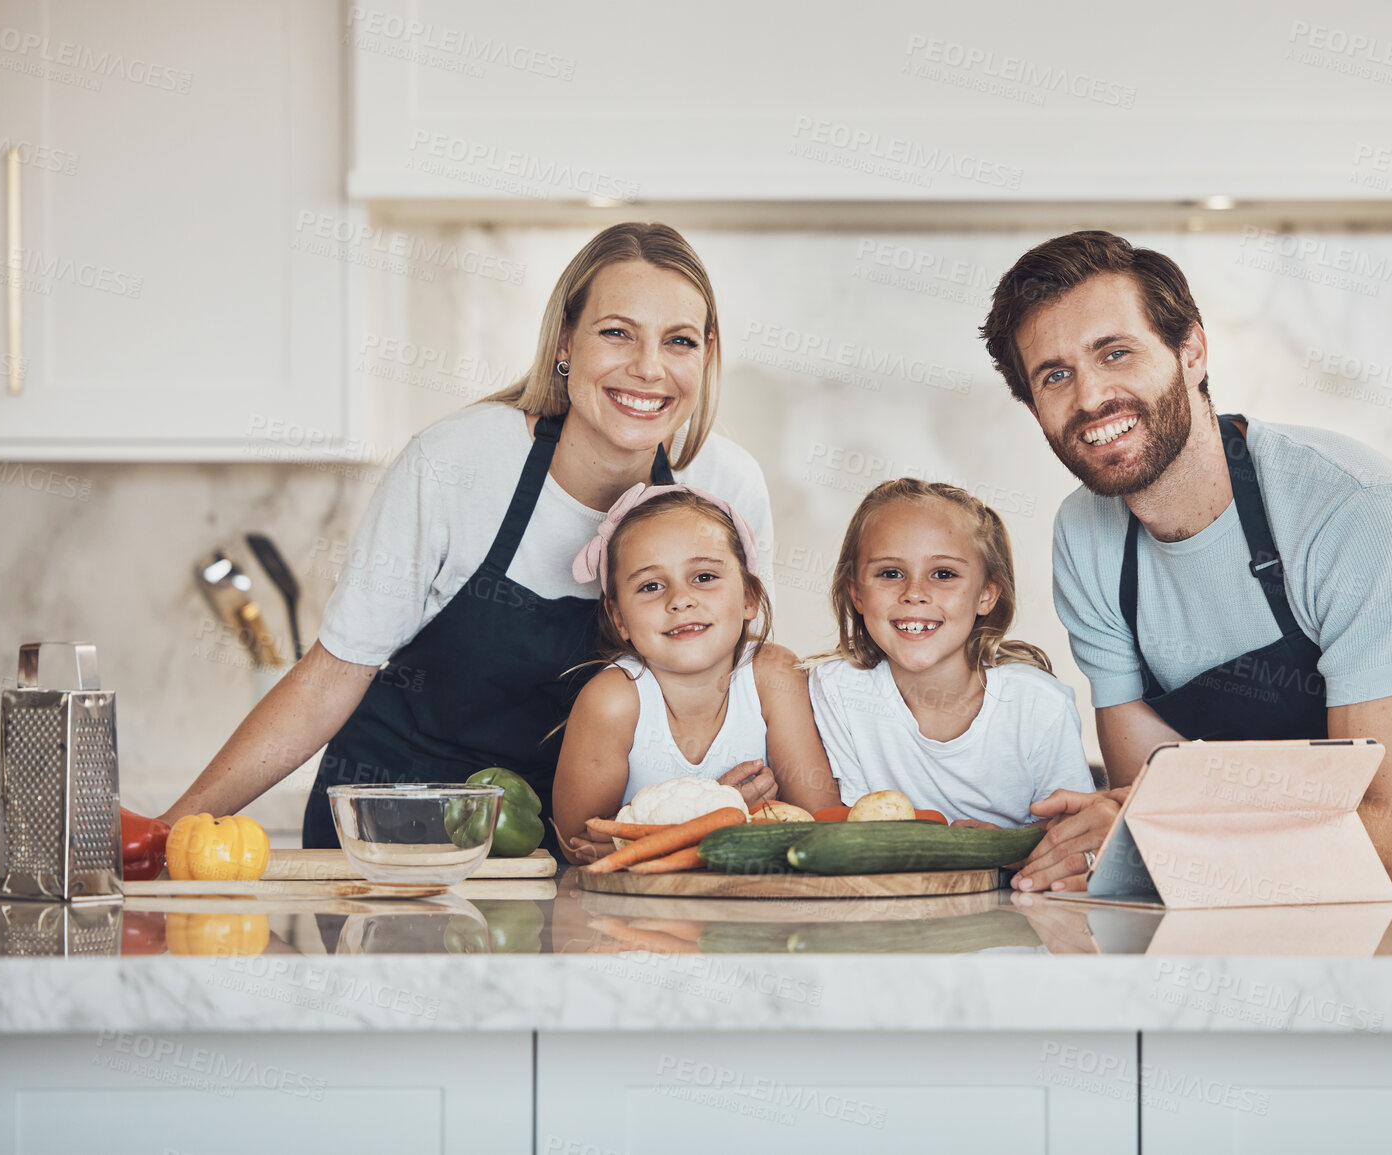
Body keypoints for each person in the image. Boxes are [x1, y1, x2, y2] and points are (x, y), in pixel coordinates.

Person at [976, 230, 1392, 891]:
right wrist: (1130, 820)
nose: (1090, 397)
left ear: (1190, 351)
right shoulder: (1085, 536)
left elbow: (1389, 833)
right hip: (1298, 870)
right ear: (1031, 405)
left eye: (1115, 352)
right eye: (1054, 374)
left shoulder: (1352, 507)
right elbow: (1148, 789)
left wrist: (1155, 822)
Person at [160, 223, 775, 853]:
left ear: (706, 353)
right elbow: (331, 678)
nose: (649, 369)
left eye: (679, 341)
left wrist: (708, 800)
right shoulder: (458, 463)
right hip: (401, 837)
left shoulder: (724, 485)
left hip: (587, 844)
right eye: (616, 332)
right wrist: (166, 835)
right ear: (565, 341)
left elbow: (742, 682)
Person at [552, 485, 838, 862]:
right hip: (638, 914)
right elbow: (580, 845)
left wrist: (669, 835)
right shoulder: (613, 700)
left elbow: (822, 824)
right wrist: (714, 814)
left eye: (704, 577)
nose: (680, 599)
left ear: (750, 596)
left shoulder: (773, 677)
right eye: (651, 586)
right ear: (619, 618)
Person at [807, 479, 1094, 828]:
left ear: (987, 594)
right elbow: (855, 829)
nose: (915, 593)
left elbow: (1075, 830)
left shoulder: (1039, 705)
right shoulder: (836, 689)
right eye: (890, 573)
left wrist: (1003, 849)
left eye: (943, 574)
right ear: (856, 593)